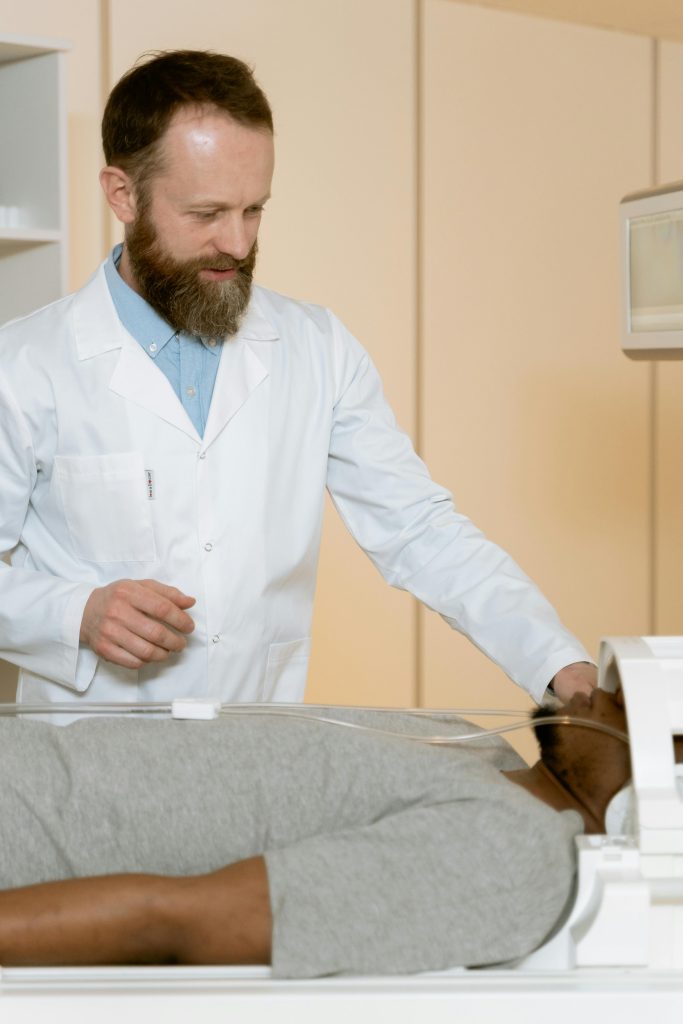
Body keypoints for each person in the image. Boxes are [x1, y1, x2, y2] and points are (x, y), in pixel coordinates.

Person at [0, 49, 596, 710]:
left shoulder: (317, 347)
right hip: (85, 771)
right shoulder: (27, 365)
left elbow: (420, 531)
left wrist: (559, 665)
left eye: (254, 210)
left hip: (260, 757)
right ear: (122, 195)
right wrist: (74, 612)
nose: (237, 241)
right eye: (206, 214)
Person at [0, 689, 629, 974]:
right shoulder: (484, 751)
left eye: (626, 707)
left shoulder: (515, 855)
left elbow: (179, 919)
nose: (603, 690)